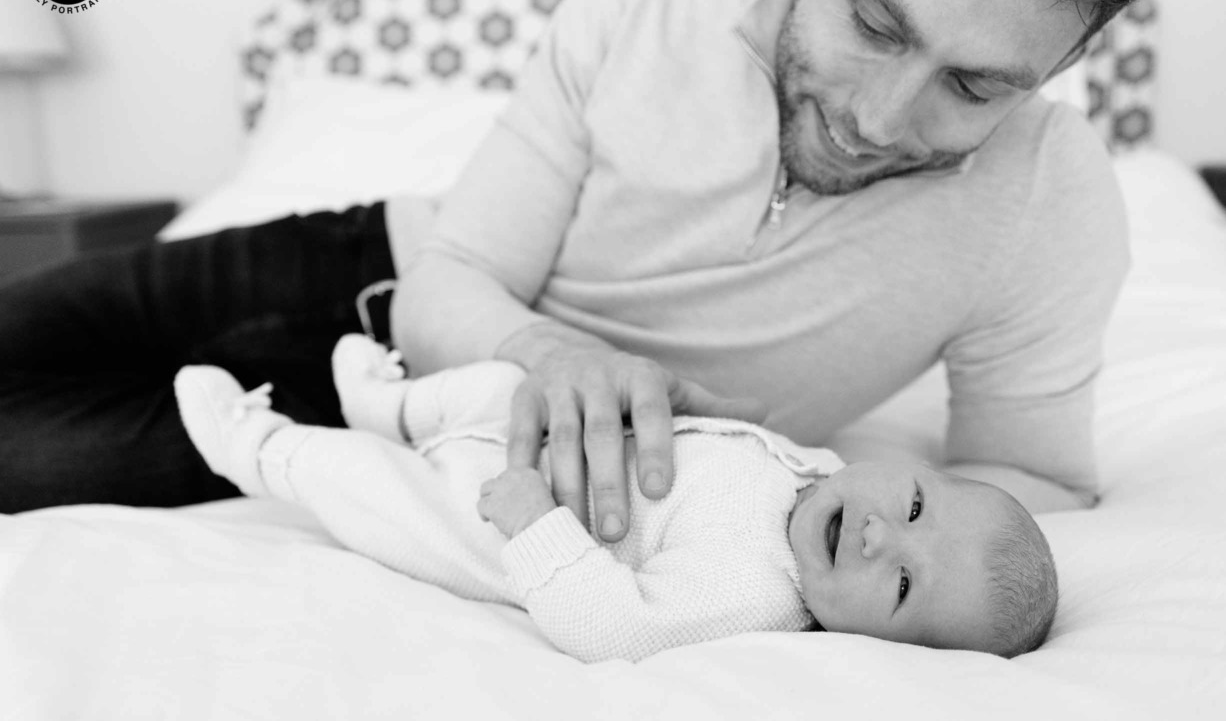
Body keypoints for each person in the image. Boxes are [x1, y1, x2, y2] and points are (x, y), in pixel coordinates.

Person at [0, 0, 1186, 517]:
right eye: (873, 24)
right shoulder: (639, 10)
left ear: (1065, 56)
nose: (880, 117)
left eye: (975, 85)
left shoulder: (1049, 198)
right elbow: (450, 279)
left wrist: (799, 520)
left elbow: (1026, 484)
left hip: (408, 442)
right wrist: (554, 350)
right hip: (358, 272)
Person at [172, 334, 1058, 663]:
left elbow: (619, 627)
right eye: (912, 508)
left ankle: (259, 449)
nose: (876, 536)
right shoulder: (817, 471)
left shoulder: (755, 592)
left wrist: (534, 525)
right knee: (498, 383)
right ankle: (393, 404)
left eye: (901, 586)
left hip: (503, 519)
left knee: (385, 499)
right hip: (554, 440)